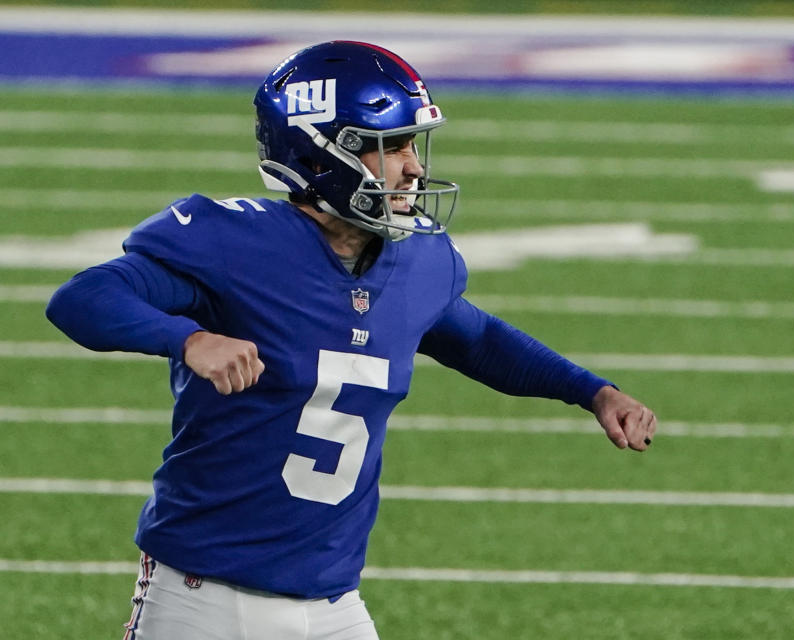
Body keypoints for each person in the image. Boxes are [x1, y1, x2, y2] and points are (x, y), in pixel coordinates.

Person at [46, 40, 657, 640]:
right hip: (206, 598)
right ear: (318, 156)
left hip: (335, 603)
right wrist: (189, 339)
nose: (414, 166)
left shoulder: (416, 261)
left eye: (412, 145)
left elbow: (476, 338)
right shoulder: (233, 242)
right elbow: (83, 299)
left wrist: (593, 392)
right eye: (389, 147)